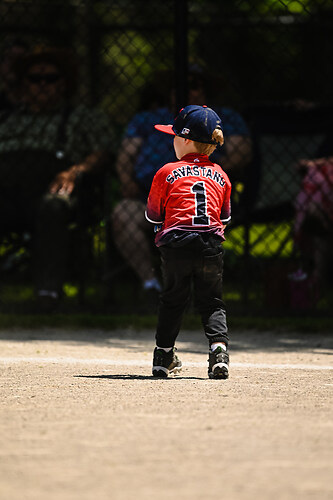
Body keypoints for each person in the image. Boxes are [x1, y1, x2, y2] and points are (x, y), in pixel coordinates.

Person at [111, 69, 252, 303]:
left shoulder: (224, 118)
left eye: (193, 85)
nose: (186, 91)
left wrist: (206, 170)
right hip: (149, 198)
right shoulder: (148, 119)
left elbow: (242, 151)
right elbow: (126, 155)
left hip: (202, 199)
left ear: (205, 91)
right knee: (122, 215)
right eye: (179, 86)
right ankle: (152, 285)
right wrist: (126, 180)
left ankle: (194, 290)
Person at [0, 46, 114, 311]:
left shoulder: (82, 117)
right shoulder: (6, 119)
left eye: (50, 79)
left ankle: (47, 292)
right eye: (34, 79)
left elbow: (104, 152)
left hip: (53, 188)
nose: (42, 85)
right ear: (23, 84)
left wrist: (76, 171)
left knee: (54, 206)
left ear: (64, 84)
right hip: (6, 190)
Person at [145, 104, 231, 379]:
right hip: (210, 245)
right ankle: (218, 352)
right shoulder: (221, 174)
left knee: (173, 300)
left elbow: (153, 215)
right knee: (212, 302)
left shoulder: (166, 172)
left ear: (184, 140)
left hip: (176, 245)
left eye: (173, 135)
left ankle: (163, 356)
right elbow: (225, 216)